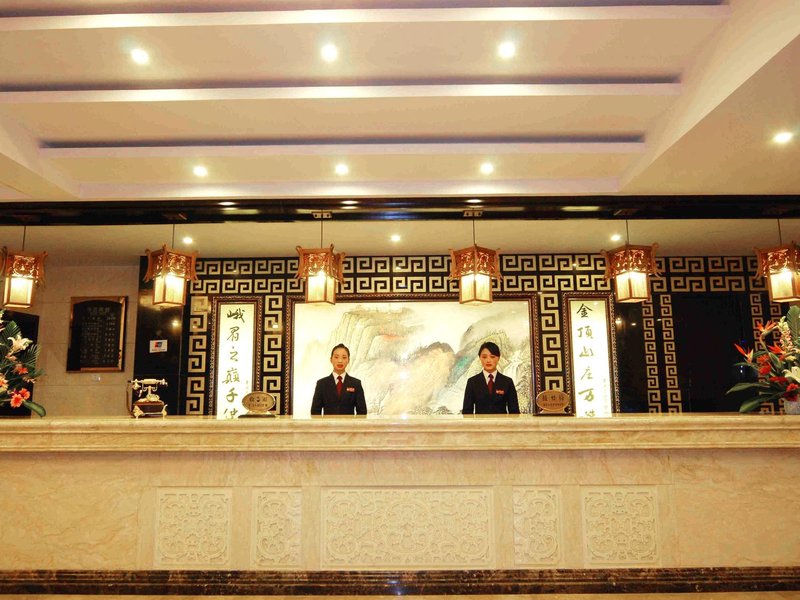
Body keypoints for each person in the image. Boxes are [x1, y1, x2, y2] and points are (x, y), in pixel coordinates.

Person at [462, 341, 520, 414]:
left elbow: (514, 411)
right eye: (484, 357)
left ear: (498, 358)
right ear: (480, 358)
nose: (488, 360)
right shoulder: (472, 382)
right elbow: (467, 411)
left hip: (501, 421)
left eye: (492, 357)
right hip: (480, 421)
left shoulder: (507, 382)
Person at [311, 343, 367, 416]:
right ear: (331, 359)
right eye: (336, 357)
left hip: (349, 423)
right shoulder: (321, 384)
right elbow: (315, 412)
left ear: (348, 360)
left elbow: (362, 413)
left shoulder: (356, 384)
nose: (340, 361)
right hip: (328, 423)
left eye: (344, 357)